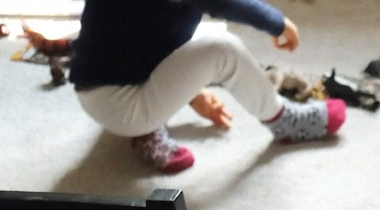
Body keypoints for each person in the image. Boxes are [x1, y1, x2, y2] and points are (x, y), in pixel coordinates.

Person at [70, 0, 344, 174]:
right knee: (223, 50)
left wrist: (190, 92)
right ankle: (284, 121)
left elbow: (147, 36)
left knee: (192, 32)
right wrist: (276, 22)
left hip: (107, 86)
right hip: (121, 103)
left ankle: (146, 126)